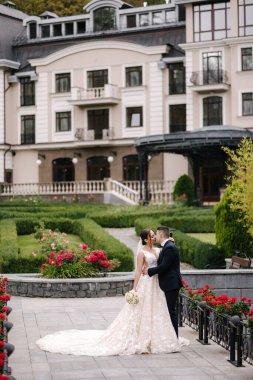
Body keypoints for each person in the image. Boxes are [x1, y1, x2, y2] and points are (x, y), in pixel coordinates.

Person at [36, 228, 188, 356]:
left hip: (156, 284)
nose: (155, 236)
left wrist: (170, 242)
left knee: (158, 311)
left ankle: (158, 337)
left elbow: (166, 254)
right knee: (143, 311)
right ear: (147, 238)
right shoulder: (142, 253)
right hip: (146, 283)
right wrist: (135, 288)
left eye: (156, 234)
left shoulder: (158, 250)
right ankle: (143, 338)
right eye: (152, 234)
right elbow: (137, 272)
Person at [143, 226, 182, 337]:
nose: (154, 236)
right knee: (168, 311)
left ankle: (175, 338)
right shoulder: (167, 246)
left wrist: (148, 271)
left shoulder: (169, 247)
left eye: (156, 234)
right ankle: (171, 337)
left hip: (171, 284)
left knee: (171, 312)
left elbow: (164, 267)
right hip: (169, 283)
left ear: (161, 235)